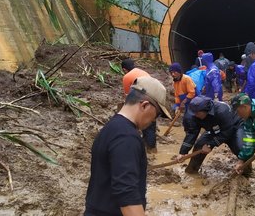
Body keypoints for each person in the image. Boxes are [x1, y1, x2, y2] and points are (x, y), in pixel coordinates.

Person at [85, 76, 171, 216]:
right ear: (144, 105)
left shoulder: (112, 127)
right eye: (157, 115)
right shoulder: (127, 138)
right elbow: (126, 193)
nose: (154, 120)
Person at [176, 95, 243, 174]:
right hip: (214, 129)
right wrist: (183, 152)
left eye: (197, 113)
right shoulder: (194, 115)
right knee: (200, 145)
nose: (195, 115)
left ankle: (246, 172)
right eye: (193, 113)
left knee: (240, 148)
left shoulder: (221, 110)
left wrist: (210, 145)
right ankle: (191, 171)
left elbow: (228, 131)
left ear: (206, 111)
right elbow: (192, 133)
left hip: (233, 127)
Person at [121, 59, 157, 153]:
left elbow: (128, 97)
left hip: (143, 103)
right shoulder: (143, 72)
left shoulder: (127, 77)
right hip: (155, 102)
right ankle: (152, 149)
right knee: (150, 126)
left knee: (144, 126)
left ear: (124, 69)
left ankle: (149, 151)